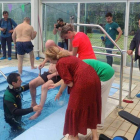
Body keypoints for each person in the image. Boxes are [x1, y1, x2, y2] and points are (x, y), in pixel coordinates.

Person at [46, 46, 101, 140]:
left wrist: (73, 89)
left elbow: (70, 83)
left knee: (73, 108)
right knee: (91, 105)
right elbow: (66, 79)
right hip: (94, 78)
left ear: (50, 59)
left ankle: (73, 135)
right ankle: (95, 136)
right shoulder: (67, 56)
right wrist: (60, 91)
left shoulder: (60, 63)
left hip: (83, 81)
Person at [51, 59, 115, 130]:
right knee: (98, 99)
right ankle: (96, 123)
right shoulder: (74, 63)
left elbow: (68, 82)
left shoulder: (74, 68)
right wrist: (57, 87)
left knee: (98, 100)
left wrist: (60, 91)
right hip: (108, 70)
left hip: (104, 74)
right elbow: (65, 79)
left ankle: (98, 124)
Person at [29, 40, 62, 120]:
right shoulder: (52, 51)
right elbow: (48, 56)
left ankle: (39, 110)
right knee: (31, 84)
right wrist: (43, 62)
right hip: (49, 73)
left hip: (57, 75)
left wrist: (53, 75)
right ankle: (33, 102)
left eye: (49, 48)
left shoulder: (62, 53)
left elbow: (64, 70)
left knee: (44, 87)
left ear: (54, 45)